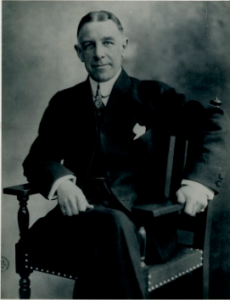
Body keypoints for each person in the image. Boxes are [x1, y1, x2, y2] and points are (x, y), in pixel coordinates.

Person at [22, 11, 228, 299]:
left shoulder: (151, 95)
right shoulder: (64, 103)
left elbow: (213, 122)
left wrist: (197, 184)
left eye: (108, 42)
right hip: (76, 222)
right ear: (78, 52)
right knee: (107, 231)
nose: (99, 53)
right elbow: (38, 159)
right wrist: (62, 183)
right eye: (89, 45)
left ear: (124, 45)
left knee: (113, 228)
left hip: (141, 222)